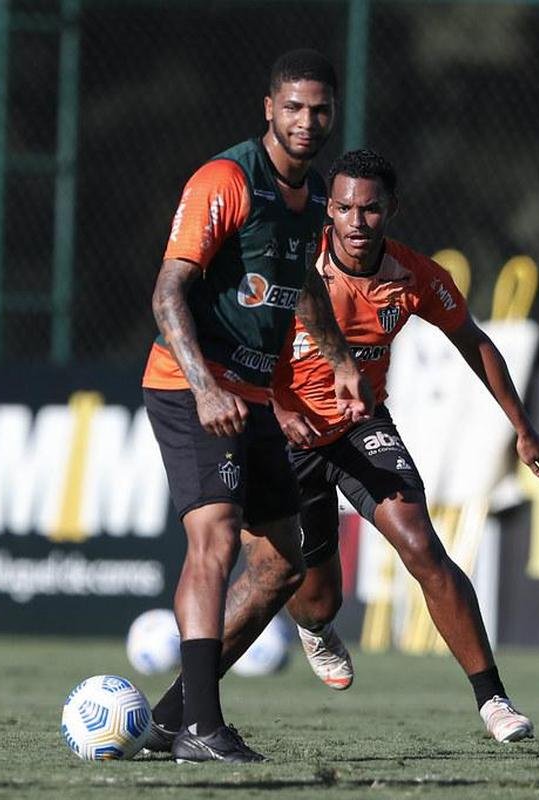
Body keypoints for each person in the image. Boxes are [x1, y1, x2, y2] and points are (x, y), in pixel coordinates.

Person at [149, 148, 539, 746]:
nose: (355, 223)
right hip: (284, 436)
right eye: (342, 208)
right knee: (311, 596)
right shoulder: (295, 265)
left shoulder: (415, 276)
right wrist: (280, 406)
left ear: (390, 210)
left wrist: (522, 428)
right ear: (328, 210)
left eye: (369, 210)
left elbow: (475, 342)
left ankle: (493, 700)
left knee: (422, 546)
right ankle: (289, 644)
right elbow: (248, 342)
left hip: (358, 427)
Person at [141, 49, 371, 763]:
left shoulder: (314, 198)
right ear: (269, 109)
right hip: (192, 390)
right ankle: (203, 729)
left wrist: (336, 361)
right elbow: (168, 291)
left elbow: (301, 287)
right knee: (212, 543)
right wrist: (207, 387)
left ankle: (172, 716)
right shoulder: (227, 179)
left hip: (253, 397)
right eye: (294, 107)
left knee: (281, 564)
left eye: (320, 109)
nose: (308, 121)